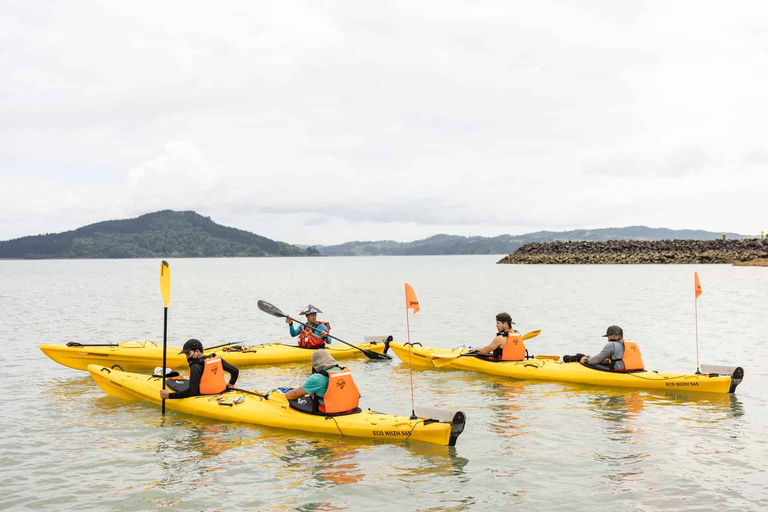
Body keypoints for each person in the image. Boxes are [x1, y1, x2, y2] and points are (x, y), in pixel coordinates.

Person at [283, 349, 359, 413]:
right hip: (349, 408)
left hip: (329, 410)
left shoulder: (317, 378)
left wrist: (282, 397)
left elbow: (295, 393)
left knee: (294, 400)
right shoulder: (344, 371)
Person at [159, 338, 239, 400]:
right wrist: (231, 384)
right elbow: (235, 371)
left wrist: (169, 395)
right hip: (222, 392)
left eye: (188, 353)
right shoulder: (215, 359)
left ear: (197, 351)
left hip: (205, 396)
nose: (187, 357)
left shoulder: (195, 366)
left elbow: (192, 391)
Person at [579, 325, 644, 371]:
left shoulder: (611, 344)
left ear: (613, 336)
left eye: (608, 337)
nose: (608, 339)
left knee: (590, 365)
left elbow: (598, 359)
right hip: (637, 370)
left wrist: (586, 360)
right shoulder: (631, 344)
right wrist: (591, 358)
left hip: (621, 372)